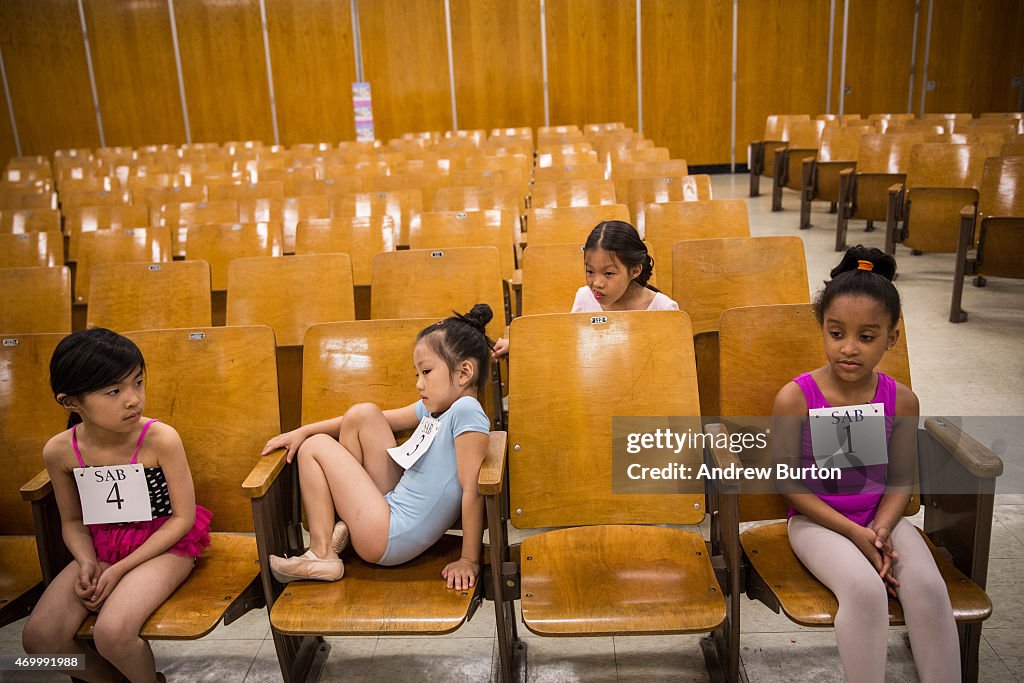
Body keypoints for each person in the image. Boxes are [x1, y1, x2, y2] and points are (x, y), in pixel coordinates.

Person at [772, 246, 958, 683]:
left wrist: (881, 529)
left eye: (867, 337)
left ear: (892, 337)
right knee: (864, 590)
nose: (849, 348)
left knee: (930, 590)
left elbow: (899, 482)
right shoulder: (796, 398)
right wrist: (856, 534)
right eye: (836, 333)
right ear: (823, 329)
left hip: (883, 521)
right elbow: (788, 484)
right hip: (817, 524)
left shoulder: (902, 400)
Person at [23, 328, 211, 683]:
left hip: (164, 544)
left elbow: (183, 518)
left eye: (137, 383)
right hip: (101, 546)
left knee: (113, 633)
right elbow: (73, 521)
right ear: (71, 402)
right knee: (39, 642)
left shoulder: (160, 438)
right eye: (114, 391)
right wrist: (86, 561)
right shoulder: (60, 451)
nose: (133, 399)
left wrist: (120, 569)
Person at [261, 304, 493, 590]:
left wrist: (469, 559)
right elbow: (377, 419)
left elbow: (473, 491)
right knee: (363, 415)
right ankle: (343, 531)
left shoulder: (466, 410)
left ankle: (322, 552)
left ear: (464, 372)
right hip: (389, 511)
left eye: (427, 372)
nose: (419, 384)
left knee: (314, 447)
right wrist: (301, 430)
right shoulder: (439, 410)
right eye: (417, 374)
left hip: (392, 536)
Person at [493, 220, 676, 356]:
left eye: (608, 274)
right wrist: (518, 345)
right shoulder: (585, 297)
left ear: (635, 270)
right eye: (590, 271)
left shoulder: (664, 309)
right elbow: (567, 341)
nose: (597, 283)